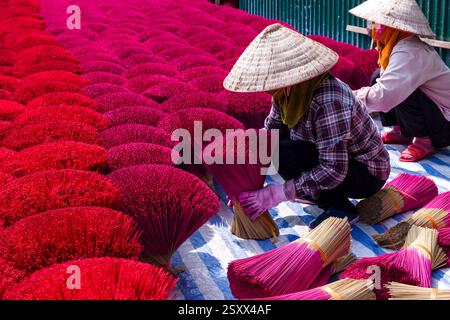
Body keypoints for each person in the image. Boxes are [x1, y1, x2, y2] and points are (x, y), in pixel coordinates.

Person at [223, 23, 391, 228]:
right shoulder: (286, 94)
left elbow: (334, 168)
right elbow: (269, 137)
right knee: (278, 147)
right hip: (332, 160)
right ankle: (318, 194)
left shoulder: (329, 99)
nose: (268, 88)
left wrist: (279, 193)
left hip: (365, 171)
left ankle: (341, 208)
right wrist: (246, 183)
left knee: (285, 153)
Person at [351, 0, 450, 162]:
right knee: (378, 76)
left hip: (444, 125)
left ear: (392, 27)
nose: (371, 27)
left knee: (403, 89)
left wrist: (349, 97)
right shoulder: (394, 45)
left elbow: (384, 96)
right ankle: (402, 131)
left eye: (376, 23)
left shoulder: (411, 52)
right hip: (435, 116)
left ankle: (423, 140)